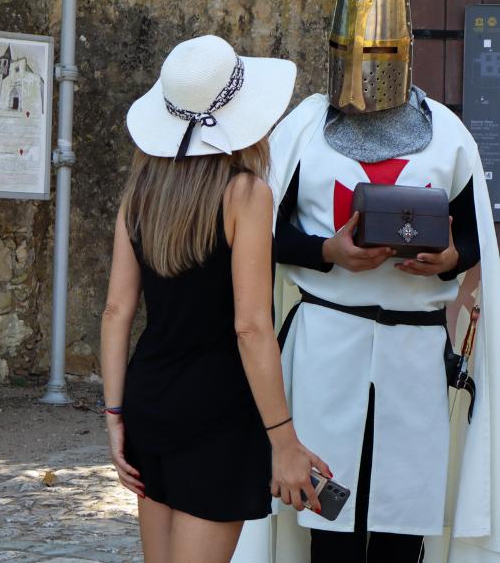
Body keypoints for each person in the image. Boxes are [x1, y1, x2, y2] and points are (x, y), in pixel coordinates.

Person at [237, 0, 500, 563]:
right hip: (325, 345)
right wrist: (328, 252)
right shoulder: (302, 130)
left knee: (405, 517)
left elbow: (477, 241)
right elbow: (262, 239)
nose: (367, 66)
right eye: (356, 51)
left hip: (414, 352)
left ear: (404, 48)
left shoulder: (447, 136)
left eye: (380, 53)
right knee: (326, 512)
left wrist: (448, 259)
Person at [100, 35, 329, 563]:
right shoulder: (246, 194)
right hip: (218, 411)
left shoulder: (139, 192)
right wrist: (284, 440)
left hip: (150, 398)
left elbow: (116, 311)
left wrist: (115, 414)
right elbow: (250, 327)